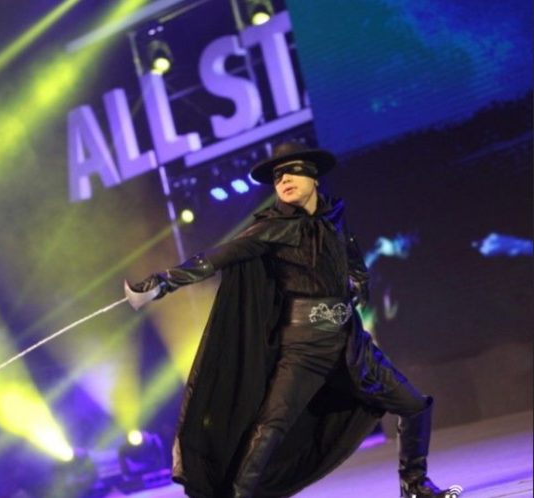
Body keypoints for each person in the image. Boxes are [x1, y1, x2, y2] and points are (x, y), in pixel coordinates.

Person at [127, 142, 457, 498]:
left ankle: (413, 485)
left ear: (313, 176)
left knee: (414, 406)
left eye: (291, 171)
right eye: (276, 176)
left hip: (351, 343)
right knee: (270, 427)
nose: (282, 179)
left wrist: (358, 283)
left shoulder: (334, 214)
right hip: (303, 347)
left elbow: (351, 256)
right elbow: (217, 257)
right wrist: (162, 283)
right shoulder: (272, 227)